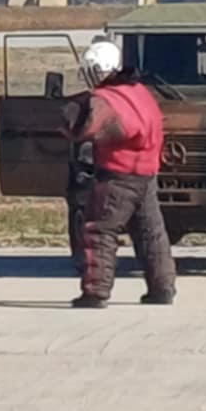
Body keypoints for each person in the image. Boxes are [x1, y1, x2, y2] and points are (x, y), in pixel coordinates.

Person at [66, 37, 175, 308]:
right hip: (147, 176)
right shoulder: (140, 91)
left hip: (117, 176)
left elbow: (90, 126)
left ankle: (96, 292)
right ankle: (162, 288)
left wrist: (73, 127)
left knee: (100, 231)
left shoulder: (105, 100)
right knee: (152, 232)